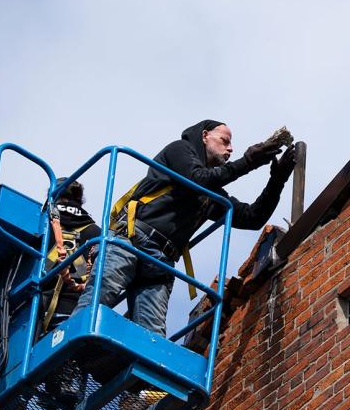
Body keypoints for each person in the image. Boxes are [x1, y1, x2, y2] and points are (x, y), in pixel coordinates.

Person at [70, 120, 295, 335]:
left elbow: (252, 217)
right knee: (99, 298)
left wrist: (277, 180)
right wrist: (249, 161)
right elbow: (198, 178)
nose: (230, 148)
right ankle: (68, 353)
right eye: (224, 141)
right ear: (205, 136)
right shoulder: (180, 150)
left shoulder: (210, 194)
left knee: (151, 336)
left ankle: (138, 373)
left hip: (161, 261)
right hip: (130, 239)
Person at [42, 178, 102, 331]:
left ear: (52, 196)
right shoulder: (96, 232)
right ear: (79, 200)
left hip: (37, 313)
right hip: (77, 315)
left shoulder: (41, 222)